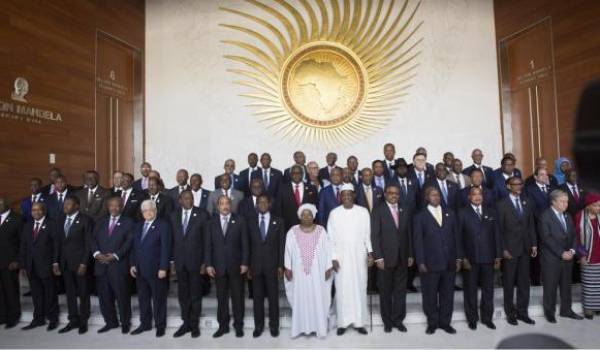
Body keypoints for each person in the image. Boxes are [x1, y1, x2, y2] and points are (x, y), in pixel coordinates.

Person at [413, 187, 462, 335]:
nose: (436, 197)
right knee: (430, 295)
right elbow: (417, 241)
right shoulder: (420, 216)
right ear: (427, 197)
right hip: (429, 263)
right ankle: (432, 323)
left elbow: (457, 237)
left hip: (449, 262)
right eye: (433, 195)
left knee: (448, 294)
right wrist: (420, 261)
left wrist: (458, 258)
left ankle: (445, 323)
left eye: (438, 195)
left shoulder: (450, 213)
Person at [327, 184, 373, 335]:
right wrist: (333, 258)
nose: (346, 197)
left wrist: (370, 253)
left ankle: (359, 322)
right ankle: (342, 322)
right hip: (341, 257)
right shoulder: (334, 213)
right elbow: (330, 238)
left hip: (359, 255)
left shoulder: (363, 212)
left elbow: (367, 235)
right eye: (343, 194)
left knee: (360, 287)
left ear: (353, 195)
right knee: (342, 289)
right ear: (340, 196)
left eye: (349, 194)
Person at [284, 204, 333, 338]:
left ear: (313, 216)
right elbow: (287, 251)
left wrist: (328, 266)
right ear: (300, 216)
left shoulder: (321, 231)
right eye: (304, 214)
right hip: (298, 274)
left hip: (317, 273)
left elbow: (328, 250)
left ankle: (318, 328)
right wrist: (287, 267)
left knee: (317, 297)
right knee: (300, 298)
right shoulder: (292, 232)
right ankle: (300, 328)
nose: (306, 217)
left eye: (309, 214)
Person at [205, 195, 249, 338]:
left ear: (231, 205)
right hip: (218, 266)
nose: (225, 206)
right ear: (218, 206)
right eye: (221, 203)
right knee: (221, 298)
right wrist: (209, 264)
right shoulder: (211, 222)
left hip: (236, 266)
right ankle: (223, 326)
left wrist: (244, 263)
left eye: (227, 203)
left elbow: (245, 244)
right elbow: (208, 246)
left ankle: (238, 326)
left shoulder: (240, 220)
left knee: (238, 298)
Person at [371, 184, 412, 332]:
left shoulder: (404, 209)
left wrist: (410, 254)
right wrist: (378, 257)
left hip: (402, 257)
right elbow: (374, 235)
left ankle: (398, 320)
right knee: (386, 291)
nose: (394, 195)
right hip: (385, 259)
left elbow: (409, 233)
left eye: (396, 193)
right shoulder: (378, 210)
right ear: (385, 194)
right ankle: (387, 322)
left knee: (400, 291)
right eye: (390, 193)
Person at [496, 176, 537, 325]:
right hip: (510, 250)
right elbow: (498, 230)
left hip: (525, 248)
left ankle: (522, 312)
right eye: (515, 184)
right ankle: (510, 313)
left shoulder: (527, 201)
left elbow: (531, 224)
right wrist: (503, 249)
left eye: (521, 184)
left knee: (524, 282)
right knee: (509, 282)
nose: (519, 186)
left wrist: (534, 244)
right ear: (508, 186)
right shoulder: (501, 205)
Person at [458, 187, 501, 330]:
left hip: (488, 258)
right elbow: (458, 238)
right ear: (469, 197)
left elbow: (497, 235)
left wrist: (497, 256)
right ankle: (472, 319)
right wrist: (462, 258)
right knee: (470, 290)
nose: (477, 197)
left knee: (488, 290)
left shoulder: (491, 212)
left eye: (479, 194)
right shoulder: (462, 213)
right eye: (474, 194)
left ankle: (487, 318)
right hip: (470, 259)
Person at [538, 190, 583, 322]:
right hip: (551, 259)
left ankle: (566, 310)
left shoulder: (568, 216)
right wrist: (561, 253)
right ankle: (550, 312)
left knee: (566, 286)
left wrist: (573, 251)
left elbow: (574, 235)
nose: (566, 204)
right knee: (550, 287)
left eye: (567, 201)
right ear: (553, 202)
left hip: (568, 258)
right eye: (562, 201)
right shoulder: (545, 216)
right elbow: (546, 238)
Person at [170, 190, 210, 338]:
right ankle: (185, 323)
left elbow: (207, 240)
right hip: (180, 262)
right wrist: (172, 261)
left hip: (196, 262)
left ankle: (194, 325)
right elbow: (171, 241)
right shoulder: (173, 216)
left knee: (195, 294)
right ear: (180, 200)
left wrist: (205, 262)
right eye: (185, 198)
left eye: (191, 198)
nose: (188, 200)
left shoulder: (202, 214)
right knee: (183, 295)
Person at [129, 200, 171, 337]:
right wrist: (132, 264)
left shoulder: (163, 225)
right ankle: (145, 324)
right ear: (142, 213)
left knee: (159, 299)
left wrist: (164, 267)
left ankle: (160, 325)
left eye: (150, 209)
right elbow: (134, 248)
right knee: (143, 299)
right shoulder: (138, 226)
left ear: (155, 210)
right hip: (140, 269)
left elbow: (166, 248)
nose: (148, 212)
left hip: (157, 269)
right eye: (145, 210)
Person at [92, 196, 134, 334]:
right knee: (104, 297)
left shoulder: (129, 222)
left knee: (122, 296)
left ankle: (125, 323)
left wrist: (115, 255)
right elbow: (92, 239)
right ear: (108, 207)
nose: (114, 208)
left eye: (117, 206)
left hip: (118, 265)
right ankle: (110, 322)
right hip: (101, 265)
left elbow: (129, 242)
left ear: (121, 206)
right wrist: (97, 253)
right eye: (111, 206)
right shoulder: (100, 222)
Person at [54, 195, 93, 334]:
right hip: (65, 264)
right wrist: (55, 262)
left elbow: (89, 244)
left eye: (69, 204)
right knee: (69, 293)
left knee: (83, 293)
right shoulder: (60, 220)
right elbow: (57, 243)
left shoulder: (85, 220)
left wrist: (84, 263)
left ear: (76, 206)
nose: (65, 206)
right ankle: (73, 320)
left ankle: (83, 321)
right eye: (65, 204)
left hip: (80, 264)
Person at [247, 194, 284, 338]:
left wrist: (281, 265)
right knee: (257, 298)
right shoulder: (250, 222)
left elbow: (281, 245)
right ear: (256, 205)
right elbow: (247, 245)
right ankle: (259, 326)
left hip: (272, 265)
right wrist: (248, 265)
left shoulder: (279, 221)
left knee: (273, 297)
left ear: (270, 204)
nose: (262, 204)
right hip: (255, 266)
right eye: (259, 202)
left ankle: (274, 326)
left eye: (264, 202)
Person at [20, 202, 59, 331]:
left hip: (47, 266)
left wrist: (55, 262)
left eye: (38, 210)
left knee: (50, 294)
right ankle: (38, 319)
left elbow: (56, 246)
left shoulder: (52, 224)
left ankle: (53, 319)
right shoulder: (27, 226)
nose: (35, 212)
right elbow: (24, 246)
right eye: (33, 209)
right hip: (31, 266)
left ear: (44, 211)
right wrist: (24, 265)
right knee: (36, 294)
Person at [575, 193, 600, 319]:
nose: (598, 208)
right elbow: (576, 239)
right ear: (589, 206)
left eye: (599, 206)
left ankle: (598, 307)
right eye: (596, 206)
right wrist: (582, 255)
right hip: (587, 256)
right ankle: (589, 309)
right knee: (589, 284)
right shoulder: (580, 217)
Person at [0, 195, 23, 328]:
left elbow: (22, 243)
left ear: (7, 204)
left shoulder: (17, 219)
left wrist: (18, 260)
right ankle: (2, 315)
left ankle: (13, 316)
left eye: (0, 203)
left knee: (11, 290)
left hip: (10, 262)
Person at [275, 165, 318, 232]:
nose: (296, 175)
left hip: (308, 226)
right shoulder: (282, 188)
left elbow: (316, 208)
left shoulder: (311, 188)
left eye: (299, 173)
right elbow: (278, 210)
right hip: (288, 227)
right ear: (290, 175)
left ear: (302, 174)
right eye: (294, 173)